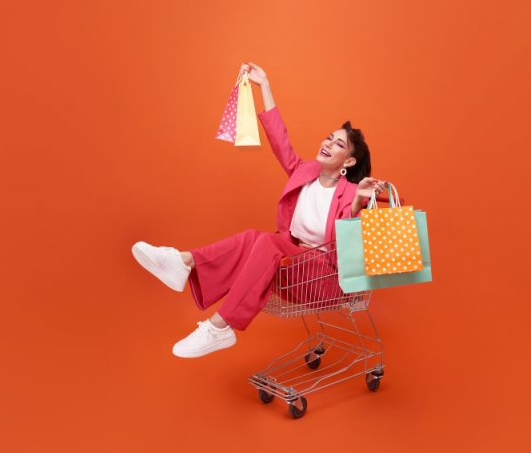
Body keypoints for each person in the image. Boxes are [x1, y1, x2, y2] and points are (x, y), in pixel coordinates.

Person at [132, 62, 386, 358]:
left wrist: (357, 205)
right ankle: (183, 262)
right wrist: (264, 84)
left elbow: (346, 248)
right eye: (328, 137)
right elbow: (280, 139)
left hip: (325, 281)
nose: (328, 143)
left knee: (265, 241)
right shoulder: (303, 172)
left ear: (349, 162)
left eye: (339, 143)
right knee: (256, 238)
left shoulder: (353, 194)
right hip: (294, 270)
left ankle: (219, 325)